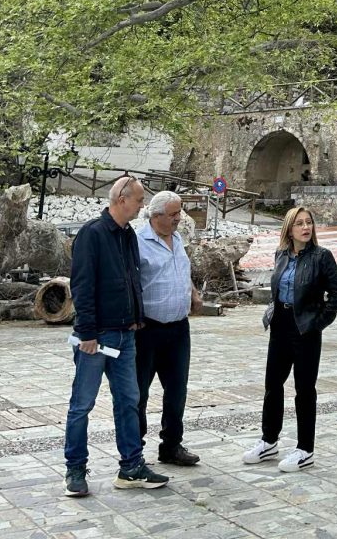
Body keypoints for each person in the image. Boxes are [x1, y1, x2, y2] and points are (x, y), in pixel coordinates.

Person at [63, 176, 169, 497]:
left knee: (128, 401)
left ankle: (131, 467)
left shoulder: (128, 235)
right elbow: (82, 286)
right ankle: (75, 469)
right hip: (97, 337)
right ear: (122, 199)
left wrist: (137, 320)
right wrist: (87, 332)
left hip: (126, 335)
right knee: (82, 404)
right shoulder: (92, 234)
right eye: (139, 200)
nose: (142, 206)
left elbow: (132, 281)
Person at [243, 205, 337, 472]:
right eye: (299, 223)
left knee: (304, 389)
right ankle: (269, 441)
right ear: (289, 229)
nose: (305, 227)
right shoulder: (281, 255)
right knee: (273, 385)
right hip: (281, 325)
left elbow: (336, 295)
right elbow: (278, 290)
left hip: (306, 328)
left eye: (308, 222)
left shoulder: (322, 256)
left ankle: (305, 449)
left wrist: (318, 323)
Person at [135, 190, 203, 467]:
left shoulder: (177, 238)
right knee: (138, 393)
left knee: (177, 390)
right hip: (147, 331)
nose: (179, 218)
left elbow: (181, 272)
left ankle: (172, 445)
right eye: (174, 214)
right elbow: (129, 283)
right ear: (156, 215)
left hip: (178, 329)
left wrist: (193, 292)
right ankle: (134, 449)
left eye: (180, 212)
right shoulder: (138, 242)